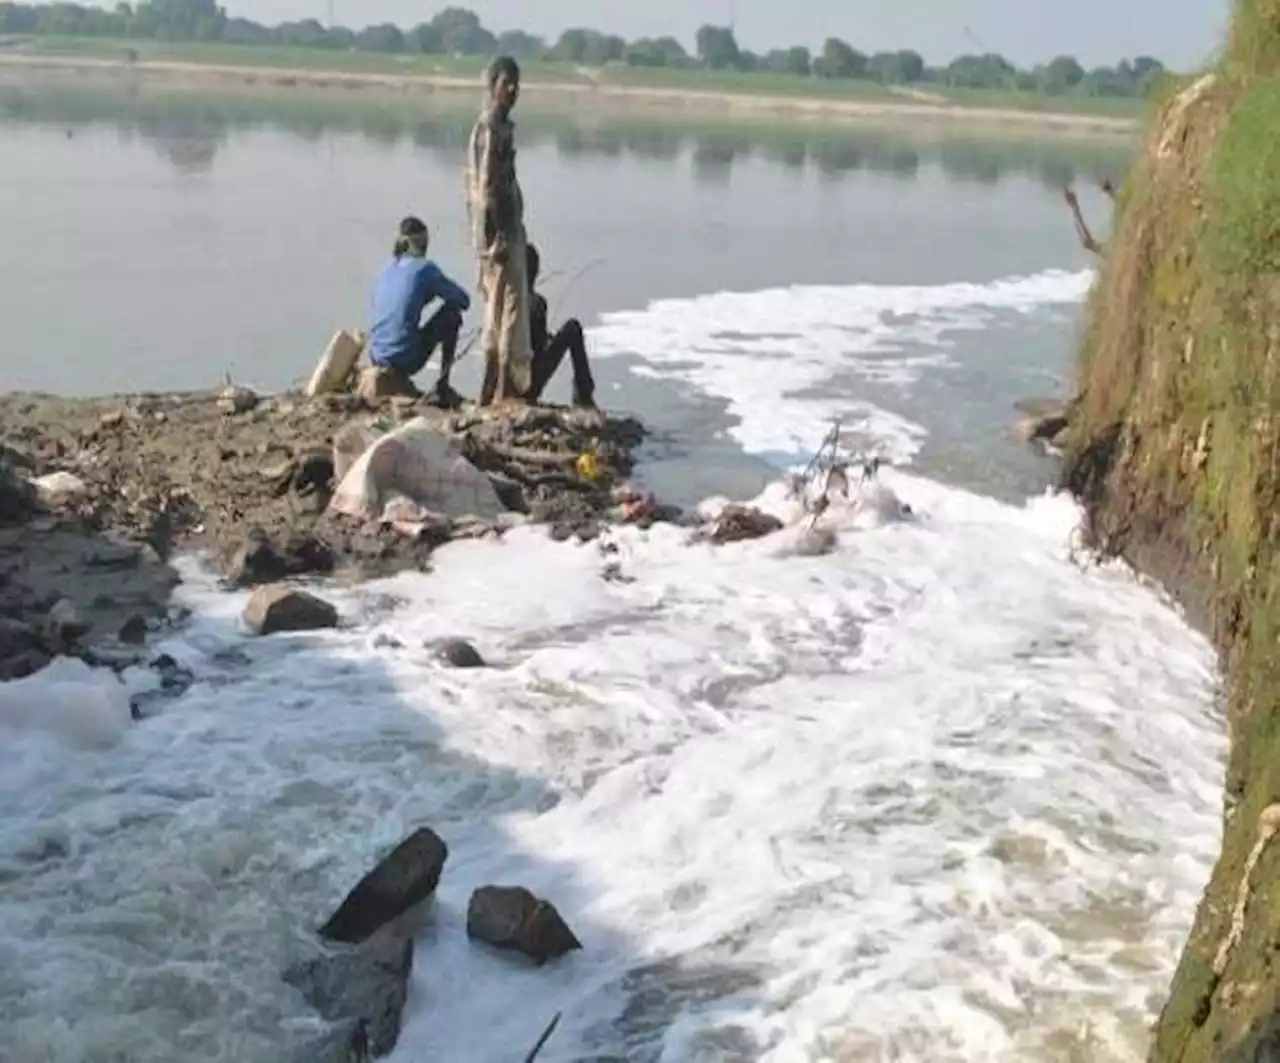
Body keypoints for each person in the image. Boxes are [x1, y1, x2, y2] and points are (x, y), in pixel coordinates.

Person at [465, 55, 532, 406]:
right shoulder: (490, 127)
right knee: (505, 312)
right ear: (491, 86)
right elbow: (486, 187)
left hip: (506, 231)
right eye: (507, 83)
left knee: (503, 311)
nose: (513, 90)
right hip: (499, 238)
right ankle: (499, 391)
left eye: (516, 83)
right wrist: (497, 240)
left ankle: (492, 391)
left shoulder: (503, 126)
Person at [367, 216, 470, 401]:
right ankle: (443, 385)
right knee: (452, 314)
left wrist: (423, 298)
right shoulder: (425, 269)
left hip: (376, 355)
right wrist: (433, 293)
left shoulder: (386, 269)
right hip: (405, 358)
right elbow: (463, 300)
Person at [525, 242, 597, 408]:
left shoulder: (505, 303)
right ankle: (584, 393)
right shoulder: (537, 303)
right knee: (572, 327)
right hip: (530, 382)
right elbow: (539, 347)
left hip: (509, 381)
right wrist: (549, 340)